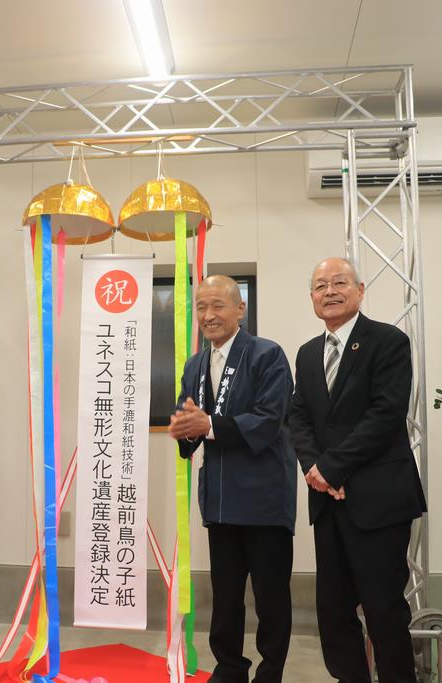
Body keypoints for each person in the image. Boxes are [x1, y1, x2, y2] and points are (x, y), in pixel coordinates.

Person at [288, 257, 425, 683]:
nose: (329, 291)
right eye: (320, 285)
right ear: (311, 297)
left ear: (360, 291)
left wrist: (331, 468)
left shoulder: (388, 341)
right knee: (332, 613)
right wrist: (314, 469)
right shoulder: (307, 353)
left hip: (378, 499)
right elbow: (298, 417)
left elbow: (386, 415)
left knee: (384, 611)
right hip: (327, 503)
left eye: (339, 282)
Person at [168, 275, 296, 683]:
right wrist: (184, 431)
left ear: (241, 309)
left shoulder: (267, 355)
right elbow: (188, 422)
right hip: (220, 499)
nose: (208, 315)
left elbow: (269, 420)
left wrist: (207, 425)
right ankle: (229, 668)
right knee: (224, 595)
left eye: (217, 305)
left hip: (264, 498)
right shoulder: (194, 364)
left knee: (270, 597)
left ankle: (270, 673)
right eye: (201, 307)